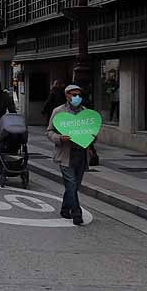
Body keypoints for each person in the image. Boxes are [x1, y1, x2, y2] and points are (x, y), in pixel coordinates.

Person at [47, 84, 92, 226]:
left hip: (81, 155)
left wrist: (92, 138)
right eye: (73, 94)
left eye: (79, 94)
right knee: (71, 184)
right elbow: (49, 131)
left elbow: (91, 132)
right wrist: (60, 138)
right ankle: (76, 213)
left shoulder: (86, 112)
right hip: (65, 154)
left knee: (74, 186)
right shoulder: (58, 111)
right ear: (67, 95)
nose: (76, 97)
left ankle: (65, 208)